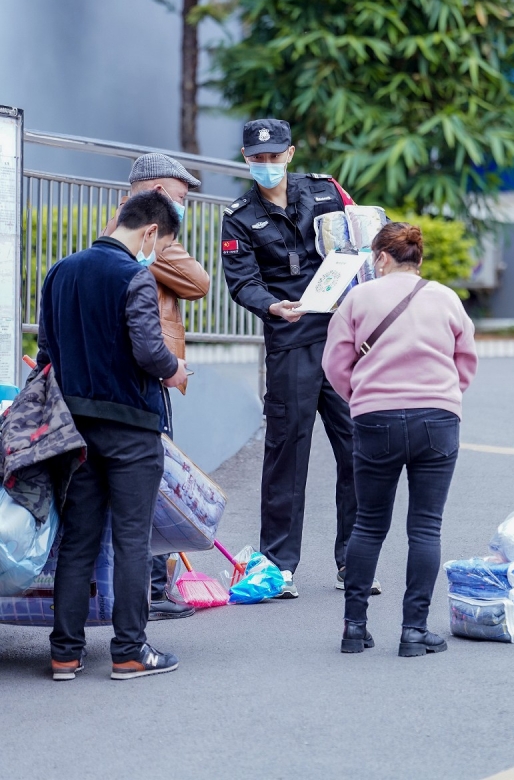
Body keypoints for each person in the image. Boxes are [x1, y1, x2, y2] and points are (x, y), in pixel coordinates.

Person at [221, 118, 373, 599]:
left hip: (342, 340)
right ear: (246, 159)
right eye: (256, 159)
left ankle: (354, 562)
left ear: (290, 154)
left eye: (274, 157)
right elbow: (241, 281)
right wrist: (270, 306)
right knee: (287, 455)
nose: (266, 166)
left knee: (357, 450)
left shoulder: (327, 192)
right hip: (290, 342)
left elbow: (364, 242)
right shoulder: (239, 217)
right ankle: (278, 566)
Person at [39, 191, 189, 681]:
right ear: (150, 232)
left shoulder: (60, 271)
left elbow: (45, 351)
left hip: (74, 429)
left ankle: (64, 653)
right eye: (161, 244)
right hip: (130, 427)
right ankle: (128, 651)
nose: (156, 254)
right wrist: (176, 370)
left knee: (78, 539)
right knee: (131, 540)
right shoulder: (134, 276)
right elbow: (149, 351)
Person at [322, 222, 477, 657]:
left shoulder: (358, 298)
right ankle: (414, 630)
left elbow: (335, 362)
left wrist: (362, 398)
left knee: (368, 524)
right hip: (437, 418)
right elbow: (466, 359)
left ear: (382, 258)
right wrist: (445, 396)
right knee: (425, 526)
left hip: (376, 419)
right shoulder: (445, 297)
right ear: (418, 260)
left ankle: (354, 628)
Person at [103, 153, 211, 621]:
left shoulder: (113, 244)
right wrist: (172, 368)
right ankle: (149, 589)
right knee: (148, 483)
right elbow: (199, 281)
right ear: (156, 195)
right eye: (178, 200)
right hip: (147, 374)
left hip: (125, 377)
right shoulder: (137, 240)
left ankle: (148, 586)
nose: (180, 213)